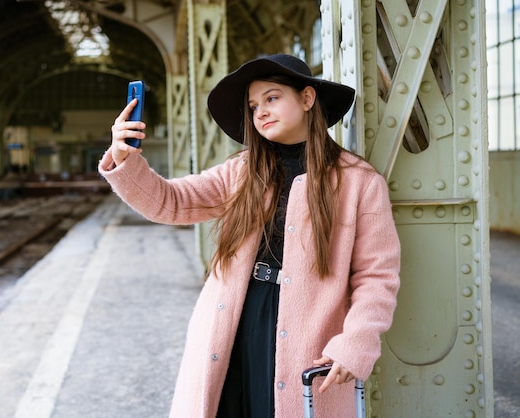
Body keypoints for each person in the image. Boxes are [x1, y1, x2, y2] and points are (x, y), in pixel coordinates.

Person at [99, 54, 400, 418]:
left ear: (307, 99)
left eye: (272, 98)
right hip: (236, 317)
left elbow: (376, 276)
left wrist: (356, 341)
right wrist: (124, 157)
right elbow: (170, 202)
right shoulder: (241, 172)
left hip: (311, 327)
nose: (260, 112)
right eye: (254, 105)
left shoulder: (359, 182)